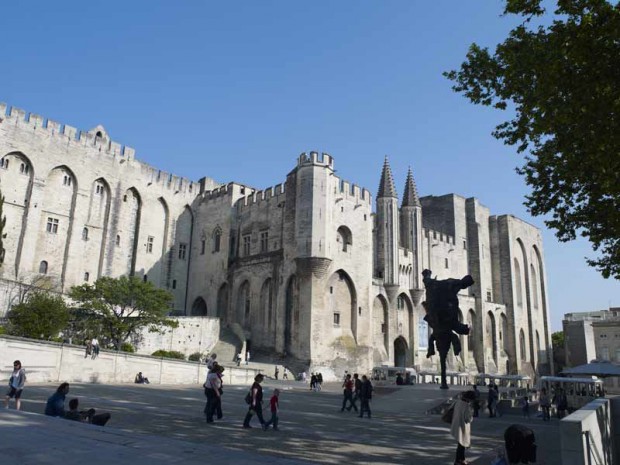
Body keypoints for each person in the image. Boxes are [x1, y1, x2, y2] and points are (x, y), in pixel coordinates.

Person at [451, 390, 475, 465]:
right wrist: (472, 413)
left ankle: (461, 459)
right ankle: (459, 460)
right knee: (461, 445)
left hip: (456, 424)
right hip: (462, 427)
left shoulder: (458, 402)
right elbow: (468, 419)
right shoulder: (467, 406)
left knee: (461, 444)